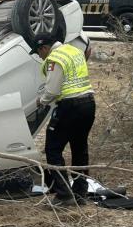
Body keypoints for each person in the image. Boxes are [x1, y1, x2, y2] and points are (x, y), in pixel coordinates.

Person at [30, 33, 95, 207]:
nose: (39, 56)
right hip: (88, 104)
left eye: (38, 53)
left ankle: (64, 195)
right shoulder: (73, 51)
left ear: (44, 48)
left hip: (69, 106)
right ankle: (80, 193)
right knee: (80, 148)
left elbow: (52, 91)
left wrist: (41, 101)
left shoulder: (55, 58)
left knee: (53, 149)